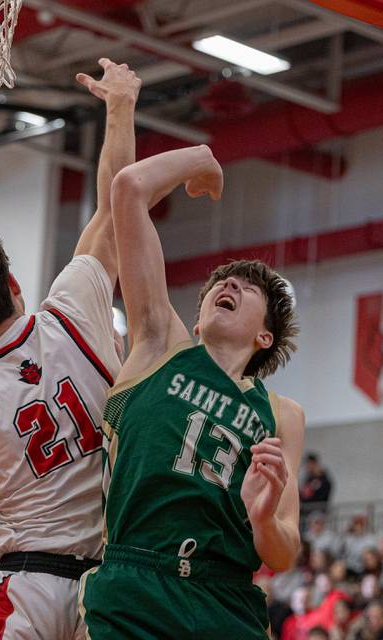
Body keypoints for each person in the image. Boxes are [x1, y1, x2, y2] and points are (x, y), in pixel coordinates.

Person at [0, 59, 140, 639]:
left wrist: (0, 575)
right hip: (112, 587)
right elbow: (117, 206)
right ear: (13, 283)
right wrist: (119, 106)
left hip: (24, 587)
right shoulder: (73, 309)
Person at [78, 145, 304, 639]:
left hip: (227, 597)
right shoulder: (160, 344)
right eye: (222, 282)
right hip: (136, 582)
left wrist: (262, 520)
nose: (230, 284)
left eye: (248, 288)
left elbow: (284, 552)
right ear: (198, 321)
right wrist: (202, 157)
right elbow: (129, 190)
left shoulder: (281, 413)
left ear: (264, 336)